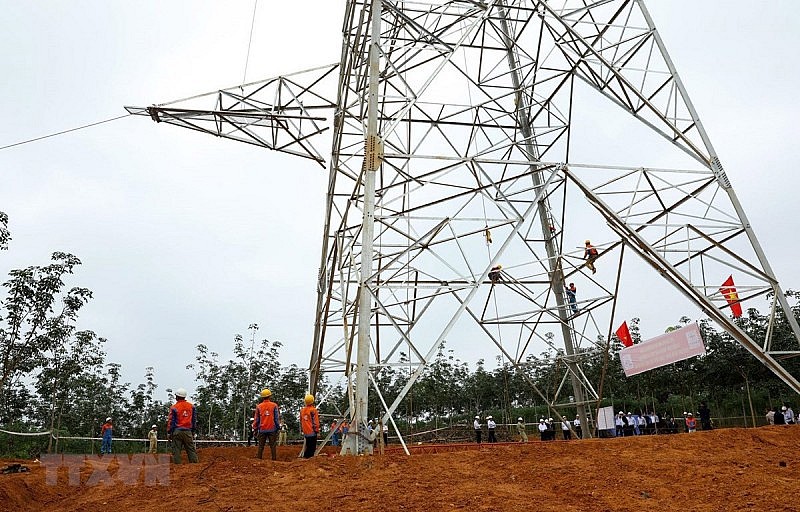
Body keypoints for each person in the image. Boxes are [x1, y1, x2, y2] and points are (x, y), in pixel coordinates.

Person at [167, 388, 198, 464]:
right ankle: (195, 465)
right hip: (188, 431)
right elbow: (193, 420)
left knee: (176, 450)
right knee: (191, 449)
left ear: (177, 397)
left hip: (177, 431)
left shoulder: (174, 407)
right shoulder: (192, 406)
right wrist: (193, 431)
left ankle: (177, 466)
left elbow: (171, 421)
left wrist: (169, 432)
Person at [253, 388, 280, 460]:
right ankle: (274, 459)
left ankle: (259, 459)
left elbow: (257, 419)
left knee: (261, 446)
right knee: (273, 446)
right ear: (270, 396)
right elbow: (276, 418)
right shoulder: (274, 405)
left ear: (262, 397)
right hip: (272, 429)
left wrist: (255, 429)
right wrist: (278, 427)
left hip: (262, 429)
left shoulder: (259, 406)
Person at [300, 394, 320, 459]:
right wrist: (317, 431)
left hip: (306, 432)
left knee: (308, 446)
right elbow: (315, 422)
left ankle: (306, 458)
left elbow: (301, 421)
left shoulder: (302, 411)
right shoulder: (313, 410)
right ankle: (307, 460)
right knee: (312, 448)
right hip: (312, 432)